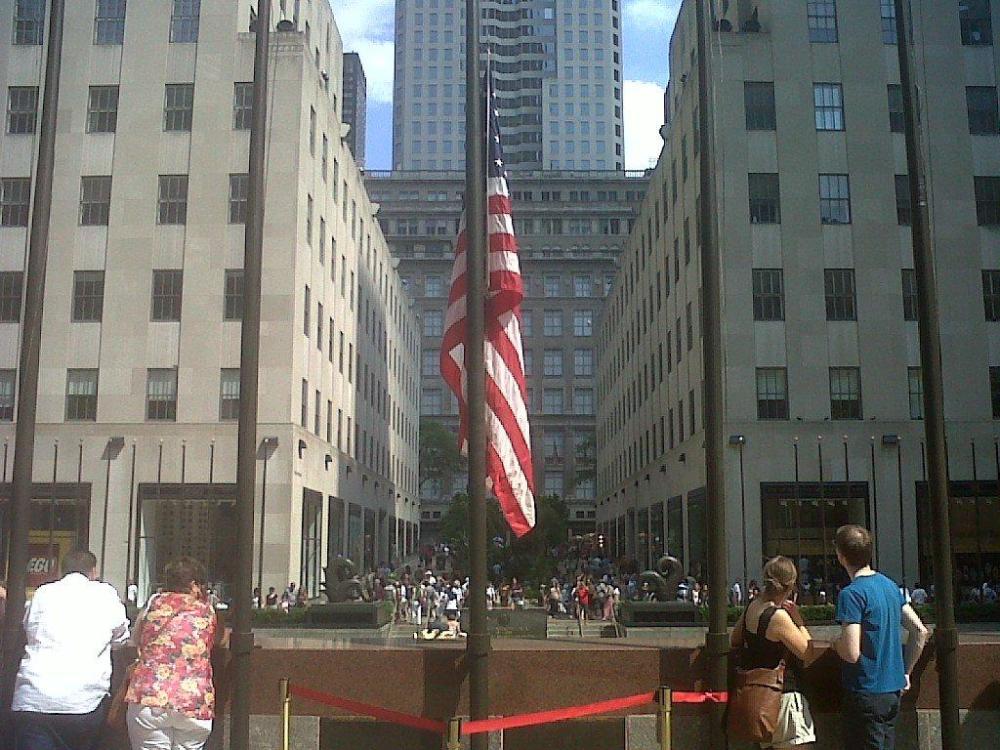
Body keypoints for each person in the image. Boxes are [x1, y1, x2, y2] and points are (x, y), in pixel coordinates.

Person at [12, 549, 130, 750]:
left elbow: (28, 626)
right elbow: (121, 637)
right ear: (93, 572)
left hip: (33, 696)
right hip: (83, 701)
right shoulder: (105, 593)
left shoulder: (43, 592)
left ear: (61, 571)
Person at [832, 525, 929, 750]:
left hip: (865, 692)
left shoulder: (851, 594)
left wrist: (835, 644)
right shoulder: (889, 586)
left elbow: (851, 652)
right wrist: (906, 672)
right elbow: (920, 631)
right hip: (892, 691)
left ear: (841, 556)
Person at [126, 557, 221, 750]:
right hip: (193, 702)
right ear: (194, 584)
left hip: (148, 697)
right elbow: (218, 640)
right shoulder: (207, 610)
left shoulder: (153, 604)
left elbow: (136, 638)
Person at [730, 556, 816, 749]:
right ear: (790, 586)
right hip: (784, 697)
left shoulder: (752, 607)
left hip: (758, 700)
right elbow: (807, 653)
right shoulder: (778, 617)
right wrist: (799, 621)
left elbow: (734, 639)